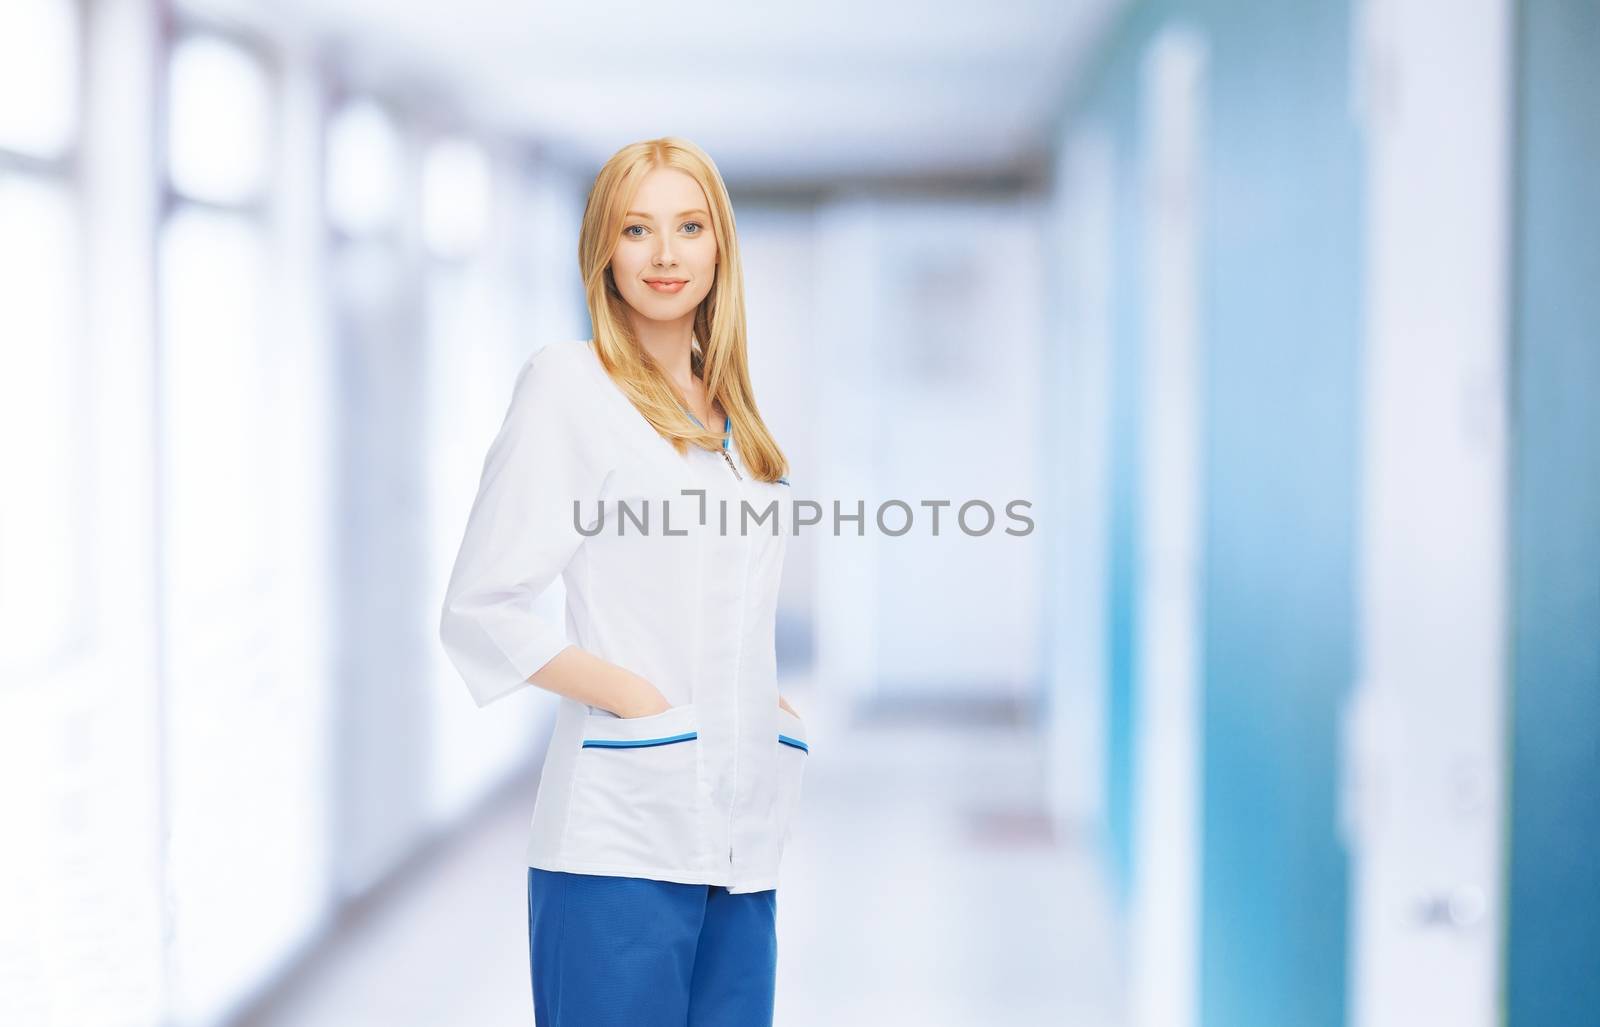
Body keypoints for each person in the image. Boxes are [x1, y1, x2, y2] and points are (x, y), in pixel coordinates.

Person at [438, 136, 808, 1027]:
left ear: (721, 246)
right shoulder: (570, 385)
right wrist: (633, 696)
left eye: (690, 226)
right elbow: (482, 604)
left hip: (739, 838)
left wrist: (769, 704)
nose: (667, 253)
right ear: (603, 249)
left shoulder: (736, 421)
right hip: (618, 845)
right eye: (637, 229)